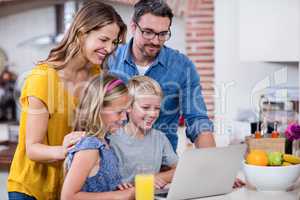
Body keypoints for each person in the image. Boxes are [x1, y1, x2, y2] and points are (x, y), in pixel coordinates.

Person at [7, 1, 127, 199]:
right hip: (31, 189)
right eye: (103, 39)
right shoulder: (42, 79)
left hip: (67, 186)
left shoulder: (97, 75)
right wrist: (65, 150)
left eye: (114, 42)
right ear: (81, 33)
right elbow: (32, 149)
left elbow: (96, 132)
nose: (109, 48)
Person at [108, 0, 215, 152]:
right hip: (117, 161)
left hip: (162, 164)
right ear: (133, 26)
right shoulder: (110, 61)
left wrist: (211, 162)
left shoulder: (182, 66)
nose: (155, 40)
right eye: (148, 32)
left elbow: (197, 119)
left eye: (163, 34)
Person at [61, 74, 134, 200]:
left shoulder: (104, 142)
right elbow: (68, 197)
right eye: (119, 112)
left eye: (126, 112)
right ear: (98, 109)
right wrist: (123, 195)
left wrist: (116, 187)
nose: (124, 118)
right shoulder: (90, 146)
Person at [109, 76, 178, 189]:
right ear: (128, 107)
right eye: (145, 108)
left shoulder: (159, 138)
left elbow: (179, 169)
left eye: (157, 108)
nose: (153, 114)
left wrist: (156, 178)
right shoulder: (113, 141)